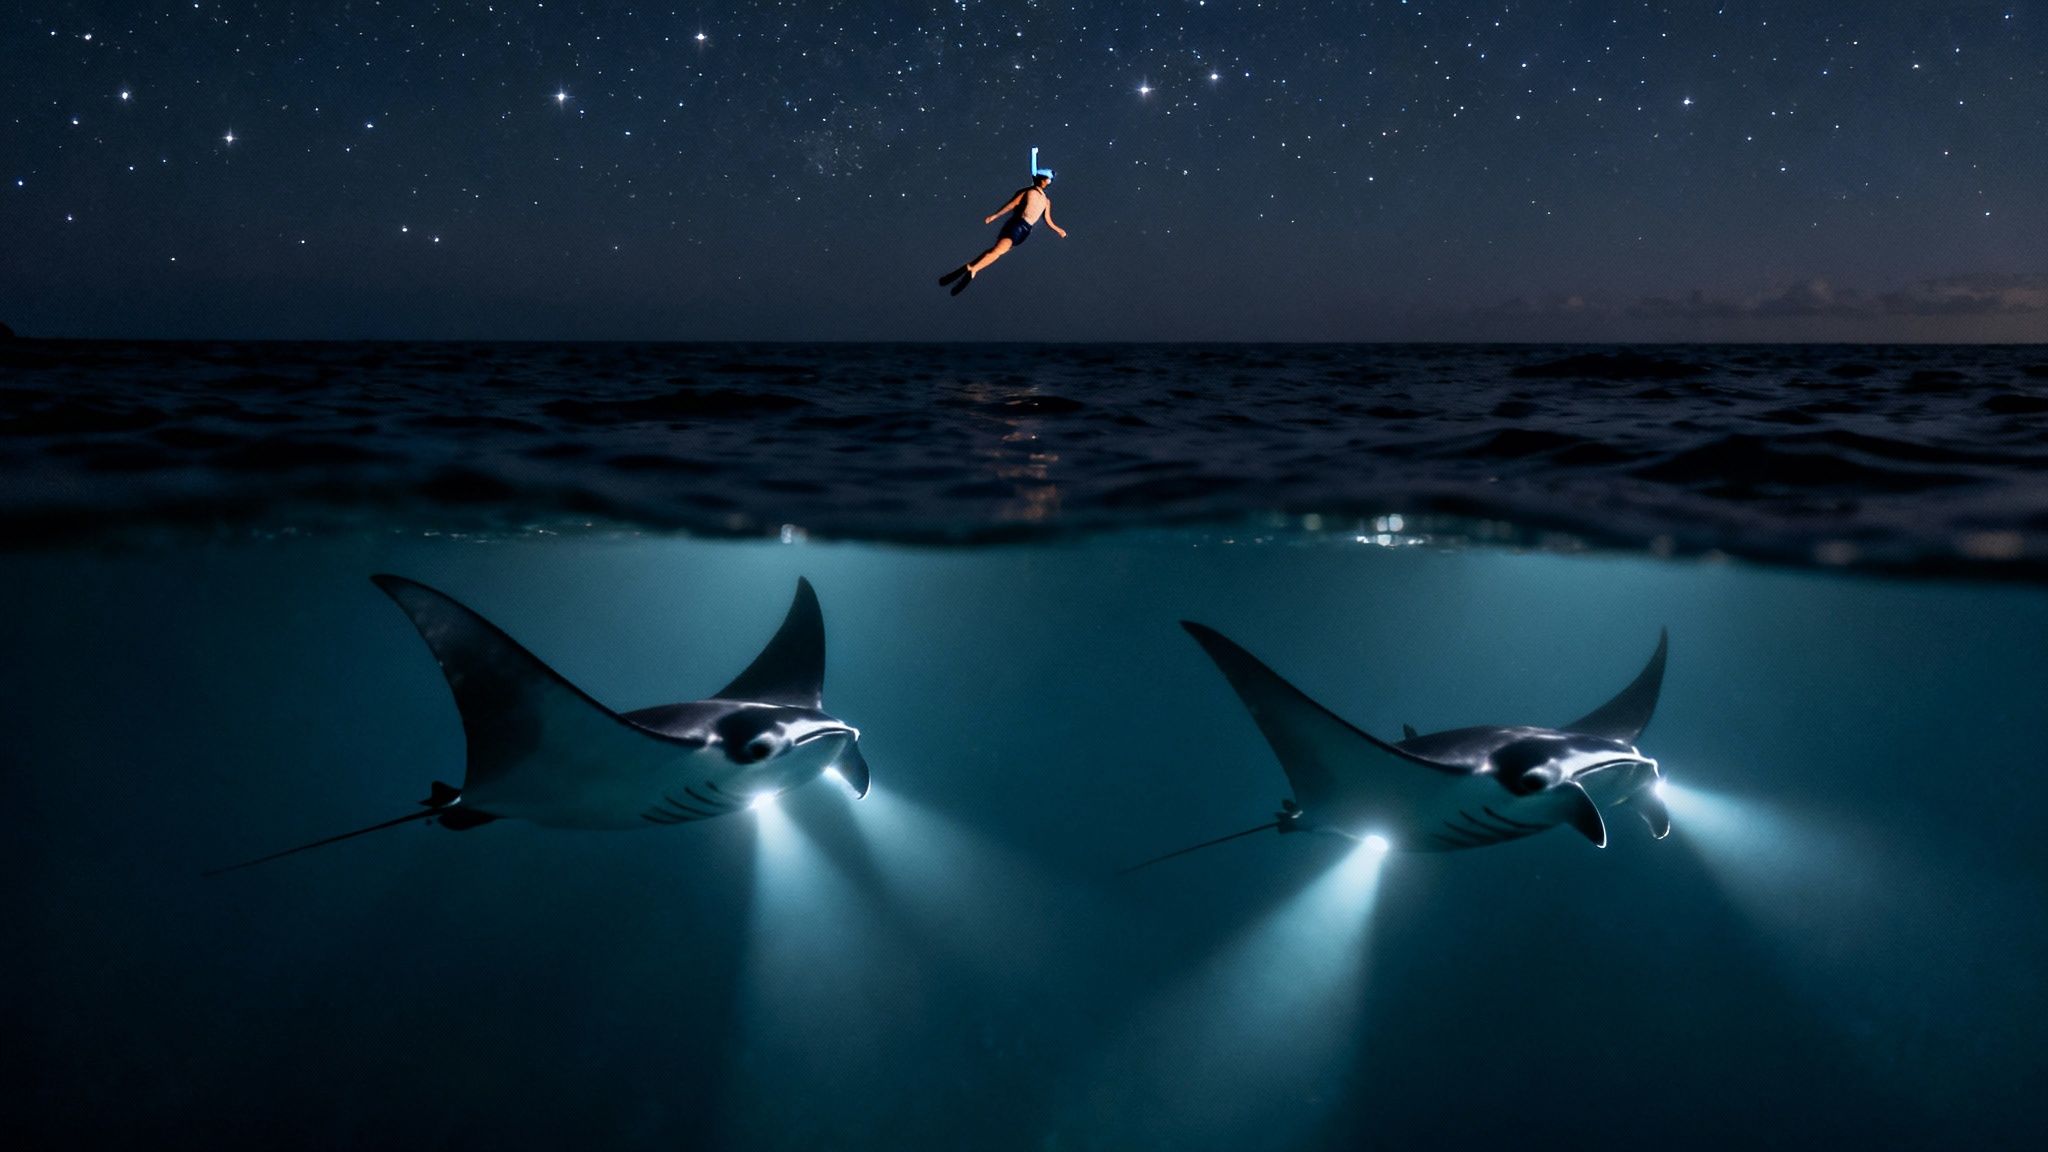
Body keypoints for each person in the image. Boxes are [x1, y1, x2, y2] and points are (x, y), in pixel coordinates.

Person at [940, 173, 1066, 295]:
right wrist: (994, 216)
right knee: (997, 251)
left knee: (996, 252)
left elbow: (1047, 219)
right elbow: (1013, 204)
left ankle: (969, 268)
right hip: (1017, 226)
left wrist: (1058, 229)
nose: (1047, 182)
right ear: (1042, 179)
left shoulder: (1046, 201)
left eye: (1049, 180)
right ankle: (972, 270)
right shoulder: (1030, 192)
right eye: (1046, 179)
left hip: (1025, 231)